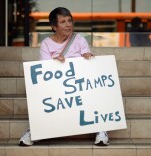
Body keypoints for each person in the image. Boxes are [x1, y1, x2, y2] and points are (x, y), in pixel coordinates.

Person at [19, 7, 109, 146]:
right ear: (54, 27)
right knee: (39, 92)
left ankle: (101, 129)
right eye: (63, 22)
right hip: (56, 87)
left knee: (97, 88)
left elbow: (87, 67)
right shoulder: (46, 44)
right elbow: (44, 72)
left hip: (79, 85)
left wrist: (88, 57)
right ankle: (35, 130)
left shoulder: (79, 40)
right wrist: (54, 63)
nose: (68, 25)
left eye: (69, 21)